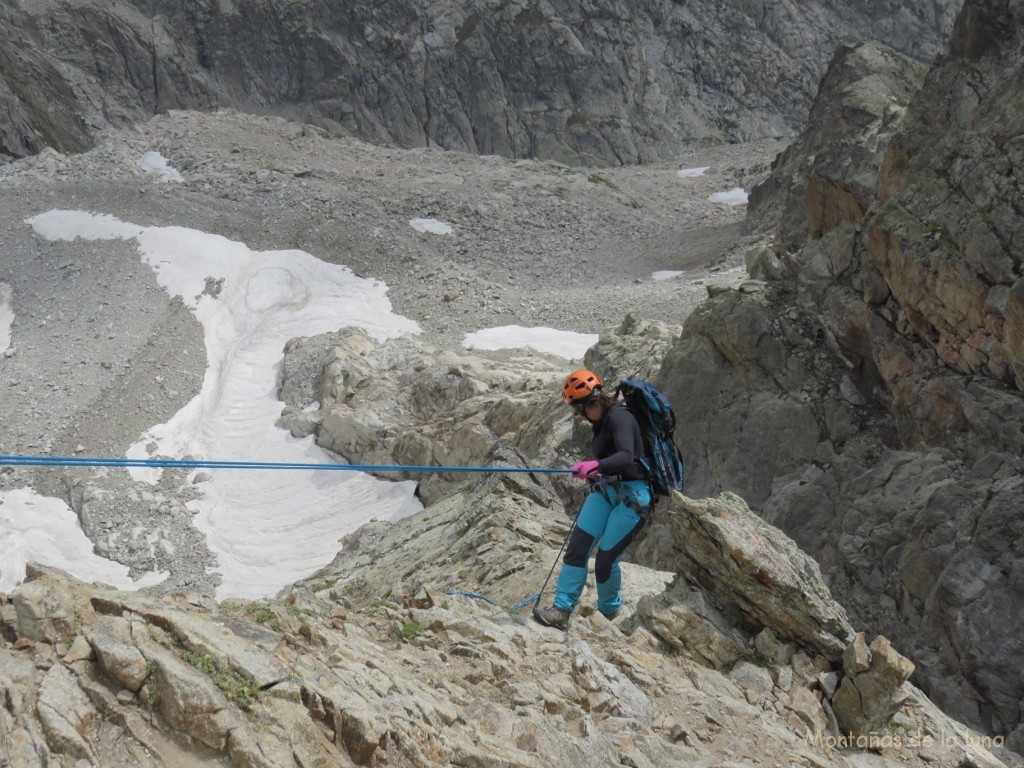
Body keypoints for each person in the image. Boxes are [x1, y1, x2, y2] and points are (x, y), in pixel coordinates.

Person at [532, 368, 652, 631]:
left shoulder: (620, 417)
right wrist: (595, 471)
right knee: (577, 549)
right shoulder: (601, 423)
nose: (580, 416)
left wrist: (596, 465)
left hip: (634, 497)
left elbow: (626, 455)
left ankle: (608, 613)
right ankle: (561, 610)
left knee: (605, 561)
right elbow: (612, 462)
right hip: (606, 491)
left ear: (589, 403)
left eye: (578, 409)